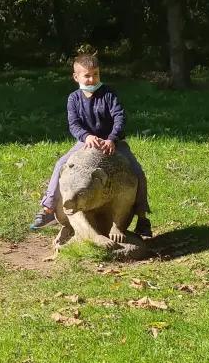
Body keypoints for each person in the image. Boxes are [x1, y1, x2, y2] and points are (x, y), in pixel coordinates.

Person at [30, 54, 152, 237]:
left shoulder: (109, 94)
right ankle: (48, 207)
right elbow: (74, 124)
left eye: (95, 74)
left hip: (113, 142)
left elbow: (119, 117)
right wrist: (86, 137)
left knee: (137, 172)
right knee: (60, 165)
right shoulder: (74, 99)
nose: (92, 79)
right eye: (87, 75)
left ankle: (142, 217)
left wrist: (112, 138)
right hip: (85, 143)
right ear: (76, 77)